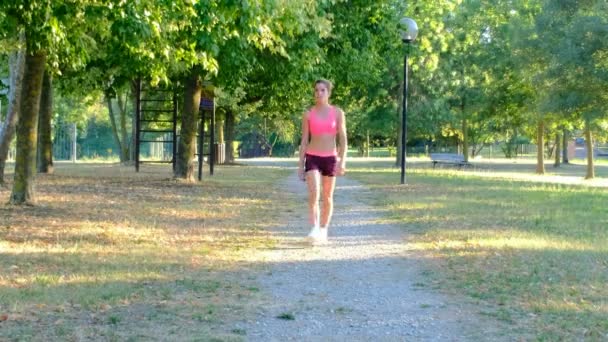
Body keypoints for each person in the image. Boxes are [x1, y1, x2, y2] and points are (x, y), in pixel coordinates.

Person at [297, 79, 347, 243]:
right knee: (314, 194)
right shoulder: (308, 114)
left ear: (328, 93)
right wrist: (300, 165)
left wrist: (342, 160)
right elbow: (304, 140)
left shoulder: (337, 112)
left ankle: (324, 229)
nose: (319, 93)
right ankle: (314, 228)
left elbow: (343, 138)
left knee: (327, 197)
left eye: (322, 90)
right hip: (312, 157)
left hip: (330, 158)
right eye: (317, 90)